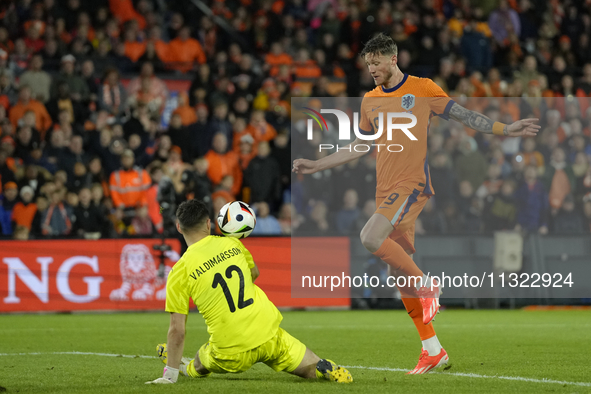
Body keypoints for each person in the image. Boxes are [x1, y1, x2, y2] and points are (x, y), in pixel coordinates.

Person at [292, 33, 540, 374]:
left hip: (411, 185)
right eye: (368, 65)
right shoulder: (370, 101)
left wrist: (506, 129)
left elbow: (464, 115)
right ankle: (432, 349)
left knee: (369, 237)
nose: (372, 70)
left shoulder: (423, 89)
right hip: (385, 190)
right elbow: (361, 145)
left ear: (392, 59)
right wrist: (316, 164)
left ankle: (428, 284)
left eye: (376, 63)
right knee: (399, 272)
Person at [147, 199, 352, 384]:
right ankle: (321, 368)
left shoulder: (179, 271)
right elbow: (254, 273)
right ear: (209, 224)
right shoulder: (232, 242)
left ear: (179, 228)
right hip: (268, 333)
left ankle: (181, 367)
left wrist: (169, 376)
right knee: (308, 365)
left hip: (230, 350)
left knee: (201, 361)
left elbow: (177, 330)